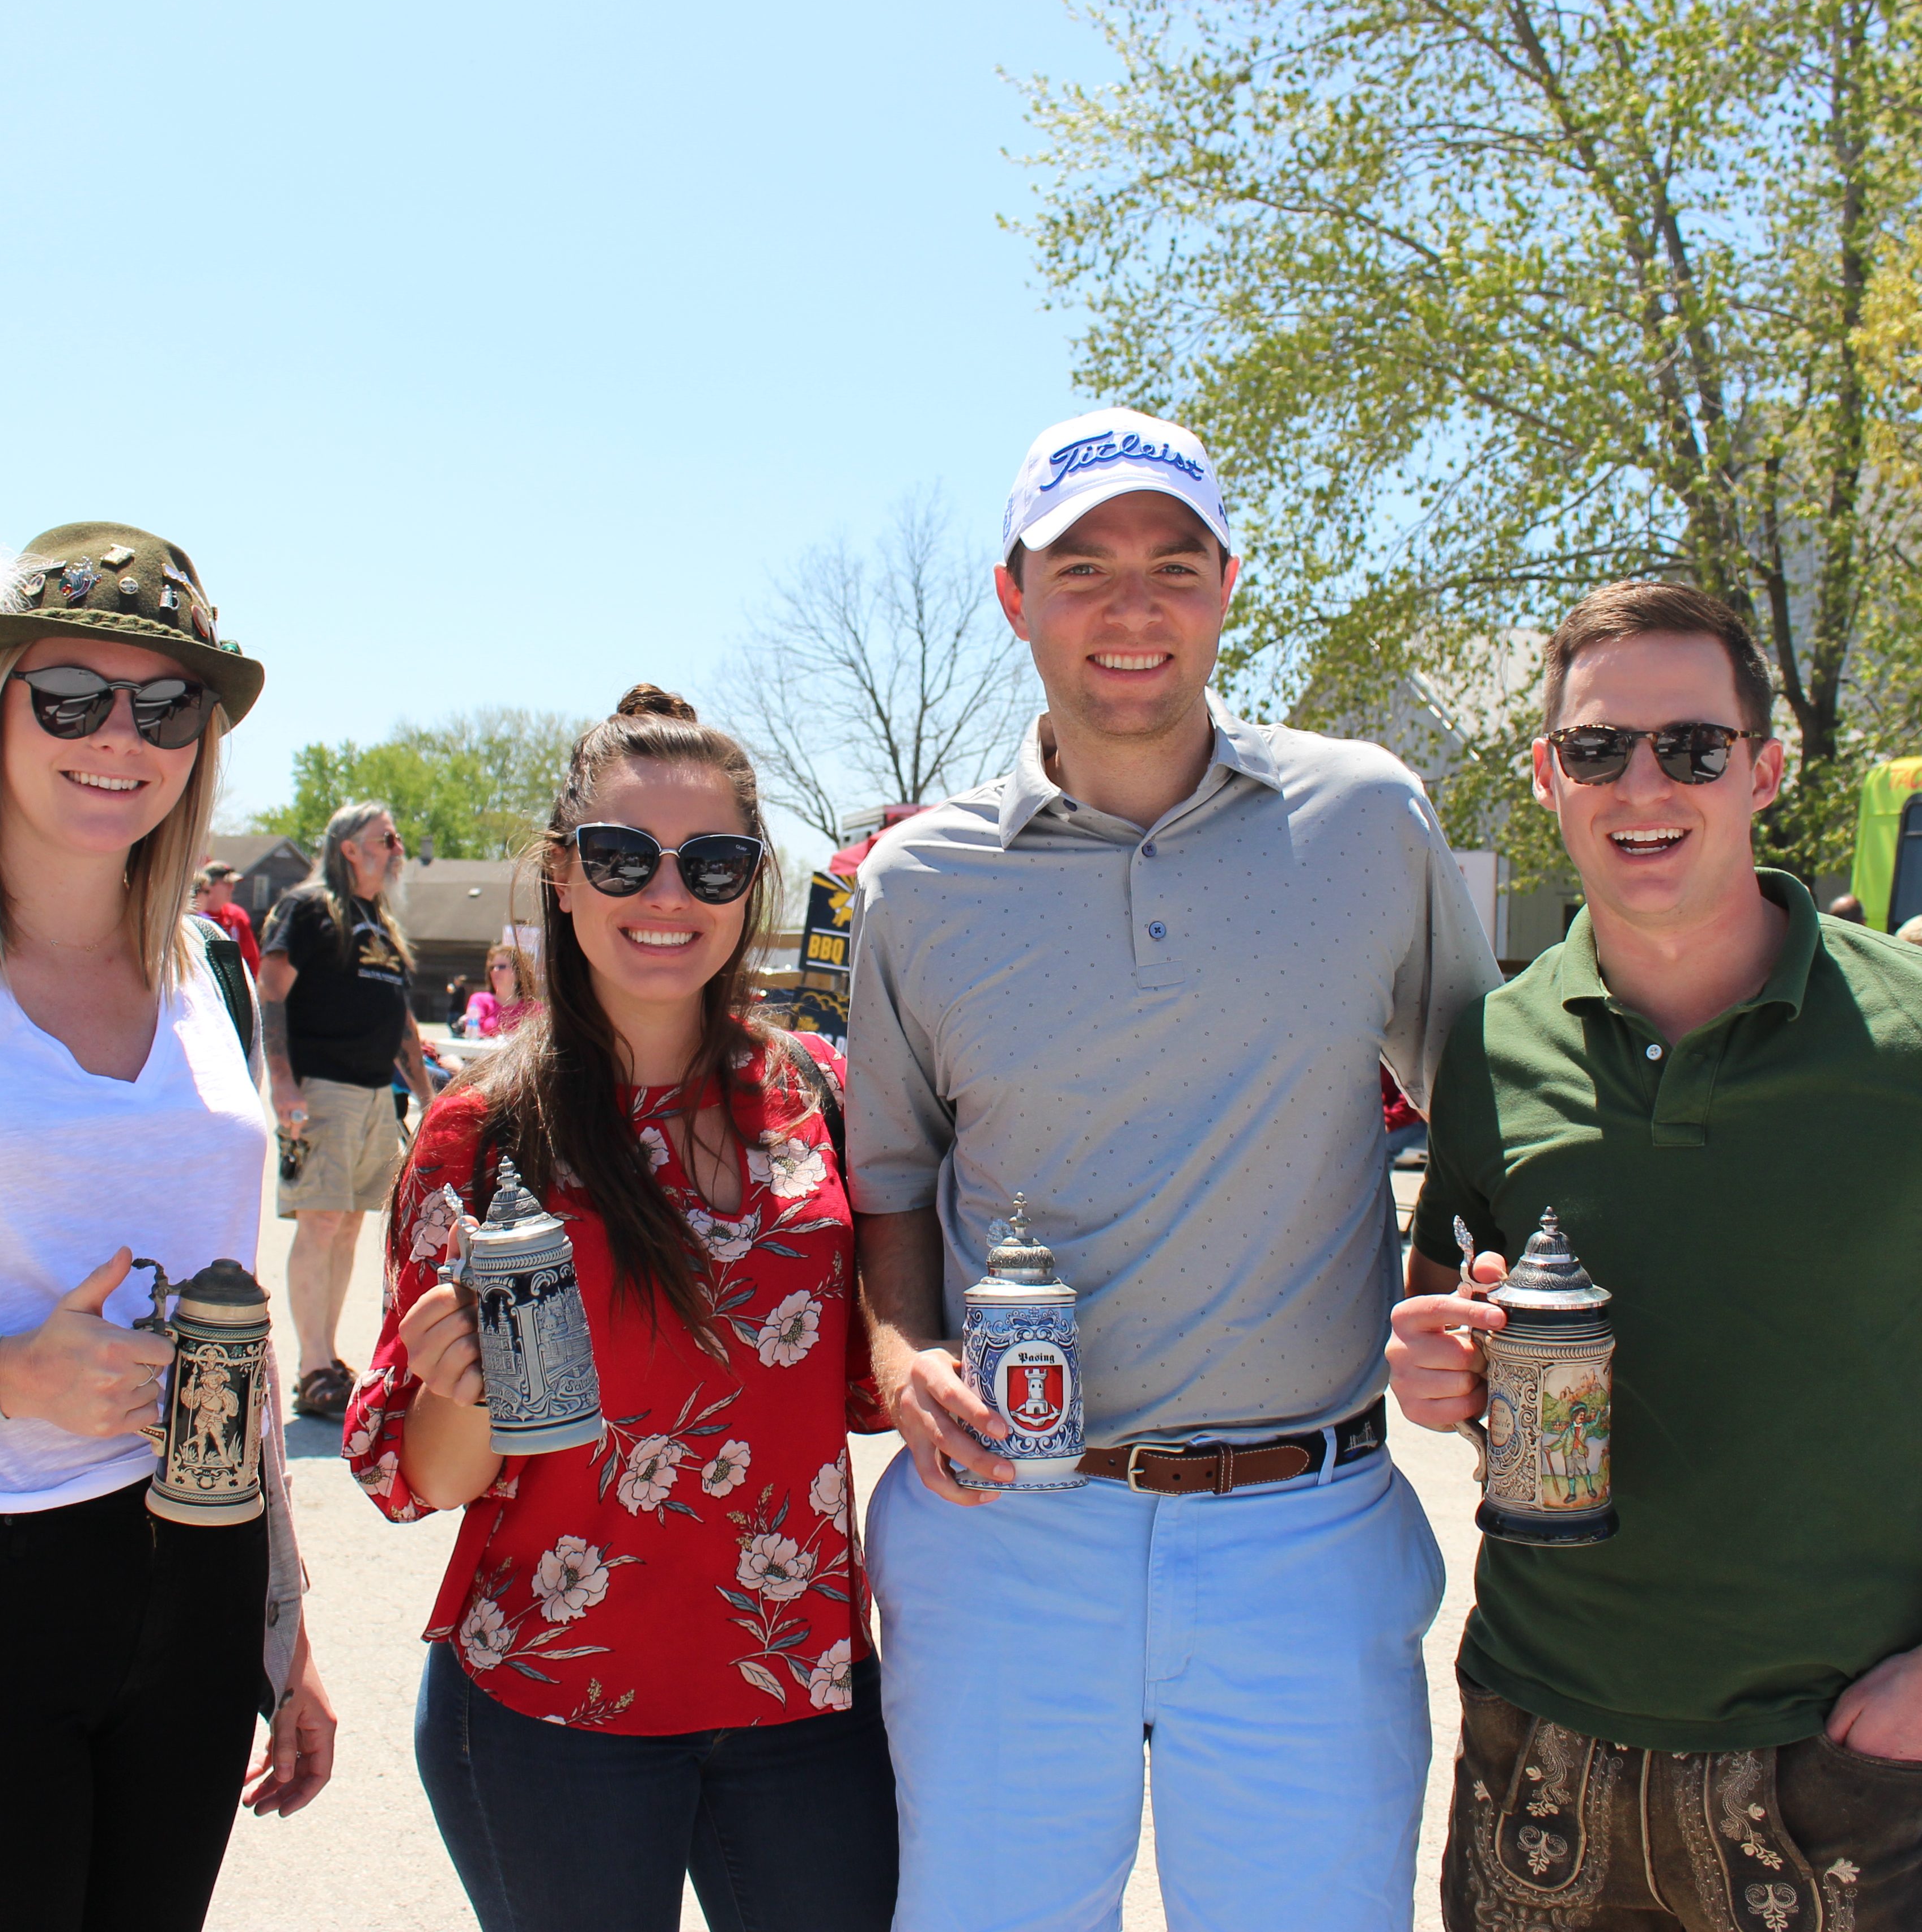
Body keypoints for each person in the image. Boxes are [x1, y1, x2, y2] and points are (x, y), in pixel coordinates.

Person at [847, 409, 1501, 1931]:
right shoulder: (916, 885)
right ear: (1014, 597)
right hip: (1007, 1525)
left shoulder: (1366, 817)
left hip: (1305, 1523)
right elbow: (891, 1186)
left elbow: (1487, 1117)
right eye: (1084, 570)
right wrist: (900, 1353)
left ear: (1226, 586)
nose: (1132, 609)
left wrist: (1451, 1292)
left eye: (1173, 565)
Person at [1388, 580, 1922, 1931]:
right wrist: (1439, 1369)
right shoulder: (1489, 1052)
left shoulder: (1906, 1039)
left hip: (1842, 1760)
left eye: (1687, 746)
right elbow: (1465, 1327)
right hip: (1539, 1734)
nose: (1641, 782)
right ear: (1545, 774)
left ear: (1762, 767)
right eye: (1595, 747)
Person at [343, 685, 897, 1932]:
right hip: (552, 1706)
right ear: (564, 874)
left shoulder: (825, 1098)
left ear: (753, 885)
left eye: (712, 864)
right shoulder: (481, 1131)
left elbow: (868, 1382)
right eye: (621, 857)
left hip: (803, 1693)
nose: (667, 897)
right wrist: (459, 1386)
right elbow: (423, 1479)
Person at [0, 523, 334, 1930]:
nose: (119, 734)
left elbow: (228, 1326)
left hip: (192, 1568)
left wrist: (281, 1627)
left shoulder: (217, 968)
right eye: (68, 695)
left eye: (165, 705)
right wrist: (4, 1376)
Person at [260, 802, 436, 1418]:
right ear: (348, 848)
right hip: (321, 1088)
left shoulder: (379, 921)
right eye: (386, 838)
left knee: (351, 1224)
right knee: (322, 1222)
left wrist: (428, 1096)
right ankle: (312, 1364)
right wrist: (282, 1083)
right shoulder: (308, 909)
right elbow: (272, 991)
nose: (397, 849)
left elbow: (402, 1018)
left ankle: (328, 1359)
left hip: (373, 1095)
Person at [197, 855, 262, 974]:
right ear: (210, 885)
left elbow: (252, 958)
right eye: (227, 883)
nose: (232, 888)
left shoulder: (237, 915)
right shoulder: (196, 917)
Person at [461, 938, 538, 1038]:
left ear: (518, 973)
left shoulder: (533, 1007)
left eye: (502, 967)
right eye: (492, 967)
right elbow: (474, 1034)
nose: (495, 971)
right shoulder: (480, 1000)